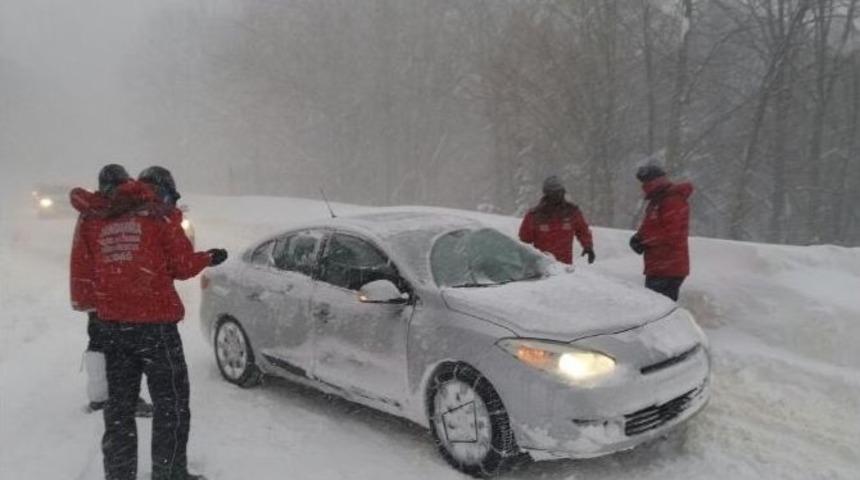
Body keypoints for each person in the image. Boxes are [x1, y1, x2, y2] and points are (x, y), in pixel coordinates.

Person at [69, 168, 227, 480]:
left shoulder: (96, 216)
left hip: (113, 327)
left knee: (119, 409)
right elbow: (181, 267)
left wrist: (95, 312)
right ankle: (169, 474)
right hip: (156, 329)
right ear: (164, 190)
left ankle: (119, 474)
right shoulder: (161, 215)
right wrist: (208, 257)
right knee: (171, 406)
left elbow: (83, 269)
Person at [70, 164, 153, 417]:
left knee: (98, 340)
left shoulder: (89, 212)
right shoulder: (127, 208)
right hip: (119, 289)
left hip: (94, 289)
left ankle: (98, 397)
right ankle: (125, 398)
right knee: (125, 345)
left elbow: (84, 255)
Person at [629, 164, 693, 301]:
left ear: (656, 180)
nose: (643, 186)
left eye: (646, 181)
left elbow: (671, 233)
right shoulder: (657, 200)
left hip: (668, 266)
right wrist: (638, 237)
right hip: (659, 265)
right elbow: (651, 226)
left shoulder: (672, 200)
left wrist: (644, 241)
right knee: (655, 308)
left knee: (658, 311)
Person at [519, 175, 595, 265]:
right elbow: (524, 241)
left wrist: (588, 246)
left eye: (559, 192)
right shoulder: (535, 215)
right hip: (542, 267)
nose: (557, 195)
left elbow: (583, 230)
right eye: (553, 193)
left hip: (565, 268)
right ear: (546, 193)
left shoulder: (571, 212)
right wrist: (524, 258)